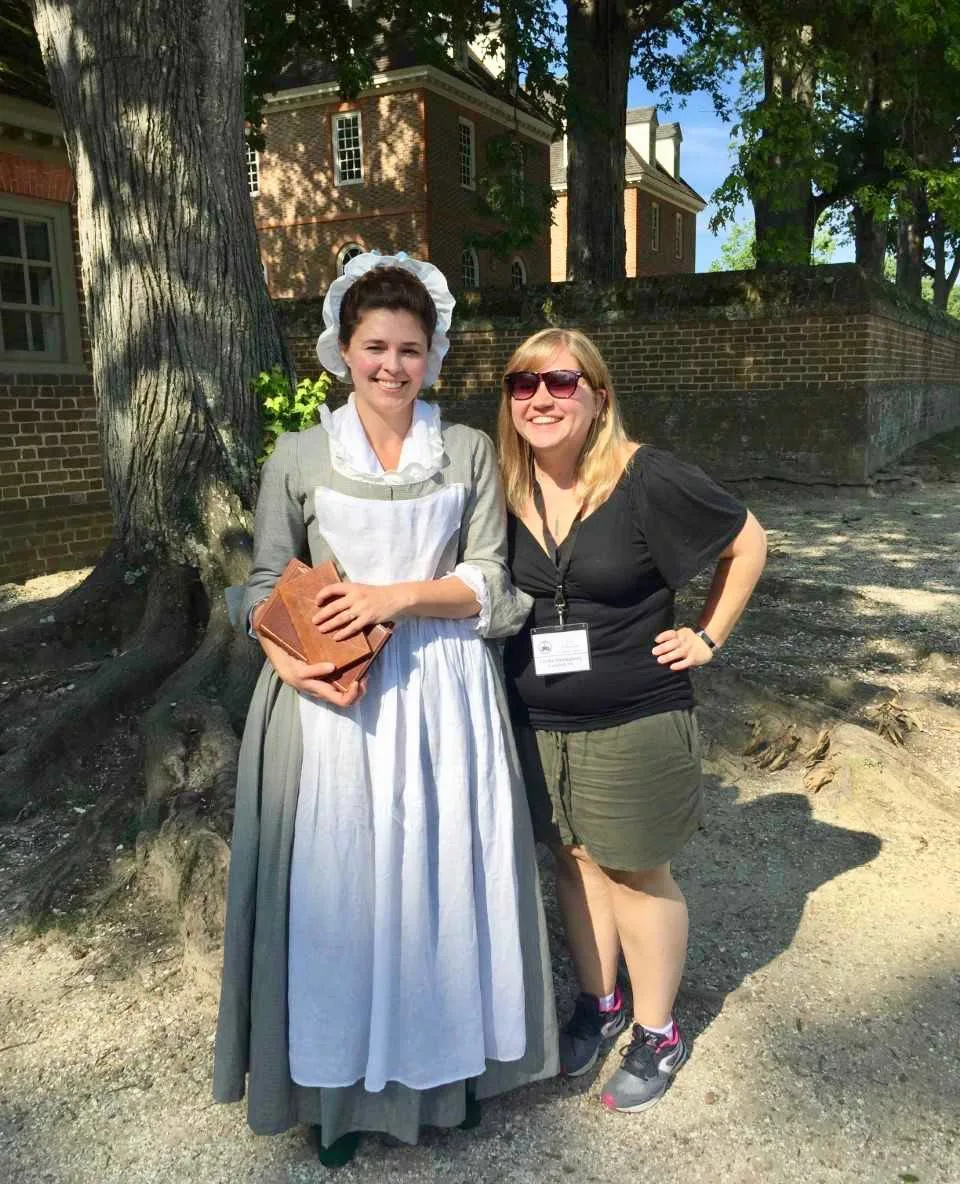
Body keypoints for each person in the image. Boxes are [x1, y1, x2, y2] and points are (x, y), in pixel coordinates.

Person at [214, 254, 557, 1164]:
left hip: (446, 696)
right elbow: (252, 585)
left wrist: (390, 599)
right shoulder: (298, 456)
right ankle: (333, 1101)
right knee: (346, 894)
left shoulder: (471, 451)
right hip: (332, 707)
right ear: (342, 349)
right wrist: (288, 654)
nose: (392, 366)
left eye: (410, 349)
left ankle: (450, 1084)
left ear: (433, 355)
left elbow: (496, 584)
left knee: (445, 880)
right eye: (376, 347)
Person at [497, 327, 767, 1114]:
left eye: (560, 382)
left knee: (637, 871)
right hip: (536, 718)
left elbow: (746, 542)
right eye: (524, 385)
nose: (541, 398)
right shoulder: (501, 487)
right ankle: (598, 1002)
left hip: (635, 714)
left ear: (597, 396)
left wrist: (709, 636)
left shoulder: (644, 477)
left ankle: (657, 1032)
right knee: (573, 863)